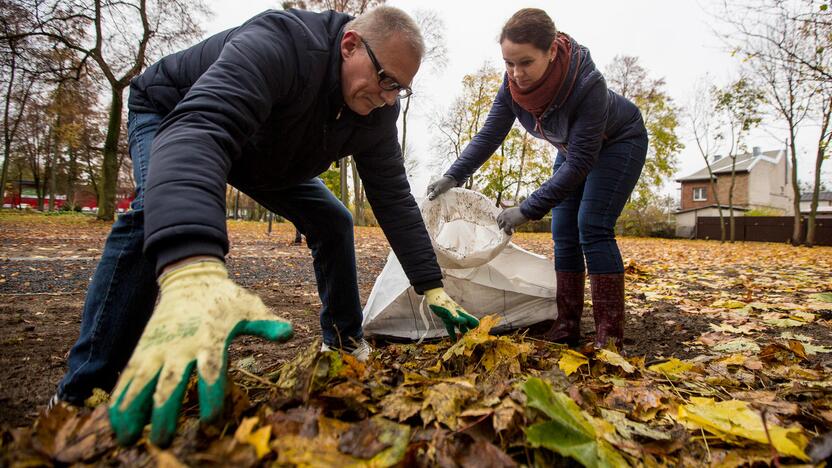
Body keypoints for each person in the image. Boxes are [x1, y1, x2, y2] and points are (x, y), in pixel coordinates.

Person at [53, 6, 479, 447]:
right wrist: (192, 264)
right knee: (150, 214)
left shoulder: (376, 110)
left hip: (265, 155)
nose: (390, 97)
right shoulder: (281, 42)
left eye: (401, 90)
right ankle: (82, 391)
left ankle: (344, 341)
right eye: (387, 80)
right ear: (350, 45)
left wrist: (430, 284)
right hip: (175, 114)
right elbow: (202, 129)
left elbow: (391, 195)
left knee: (334, 220)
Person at [428, 8, 648, 352]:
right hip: (574, 149)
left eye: (526, 62)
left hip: (617, 142)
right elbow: (489, 135)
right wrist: (453, 175)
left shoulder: (587, 85)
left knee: (591, 225)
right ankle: (568, 323)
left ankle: (610, 335)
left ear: (551, 52)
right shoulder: (512, 88)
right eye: (508, 63)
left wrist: (526, 209)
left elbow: (579, 165)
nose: (516, 73)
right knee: (563, 232)